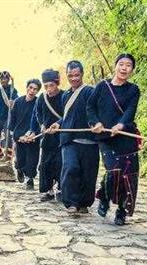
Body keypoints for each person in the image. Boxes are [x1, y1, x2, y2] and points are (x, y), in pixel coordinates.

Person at [87, 53, 140, 225]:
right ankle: (104, 196)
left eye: (129, 65)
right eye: (121, 64)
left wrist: (121, 125)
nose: (124, 68)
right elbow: (90, 106)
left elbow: (130, 111)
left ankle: (121, 211)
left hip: (125, 137)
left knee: (127, 175)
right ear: (115, 65)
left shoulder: (133, 90)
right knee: (114, 171)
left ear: (132, 69)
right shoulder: (102, 86)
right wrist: (95, 122)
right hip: (106, 137)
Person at [49, 61, 99, 215]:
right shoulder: (65, 95)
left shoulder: (91, 92)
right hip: (69, 139)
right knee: (70, 168)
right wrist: (58, 124)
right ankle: (71, 202)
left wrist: (97, 124)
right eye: (70, 76)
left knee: (88, 173)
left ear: (82, 74)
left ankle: (84, 203)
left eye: (77, 75)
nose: (74, 78)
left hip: (89, 140)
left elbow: (97, 111)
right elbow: (66, 117)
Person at [29, 69, 63, 200]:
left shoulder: (65, 96)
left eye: (52, 85)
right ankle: (48, 190)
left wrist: (59, 123)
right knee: (46, 163)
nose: (49, 89)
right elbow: (38, 114)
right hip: (47, 137)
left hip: (61, 136)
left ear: (57, 83)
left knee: (60, 163)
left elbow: (68, 114)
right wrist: (42, 124)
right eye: (46, 86)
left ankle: (60, 188)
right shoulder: (42, 98)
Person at [10, 79, 41, 190]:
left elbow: (40, 120)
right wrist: (13, 134)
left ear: (38, 91)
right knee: (21, 158)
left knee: (32, 159)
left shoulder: (39, 102)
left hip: (33, 135)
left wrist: (35, 133)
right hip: (19, 135)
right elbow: (12, 119)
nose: (32, 91)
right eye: (30, 87)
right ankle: (19, 169)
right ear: (27, 87)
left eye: (35, 89)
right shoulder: (18, 101)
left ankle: (30, 179)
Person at [0, 71, 18, 159]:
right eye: (1, 79)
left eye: (5, 79)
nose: (3, 80)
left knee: (8, 137)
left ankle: (8, 157)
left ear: (8, 80)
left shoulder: (12, 90)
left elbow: (17, 99)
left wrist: (13, 101)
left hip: (8, 117)